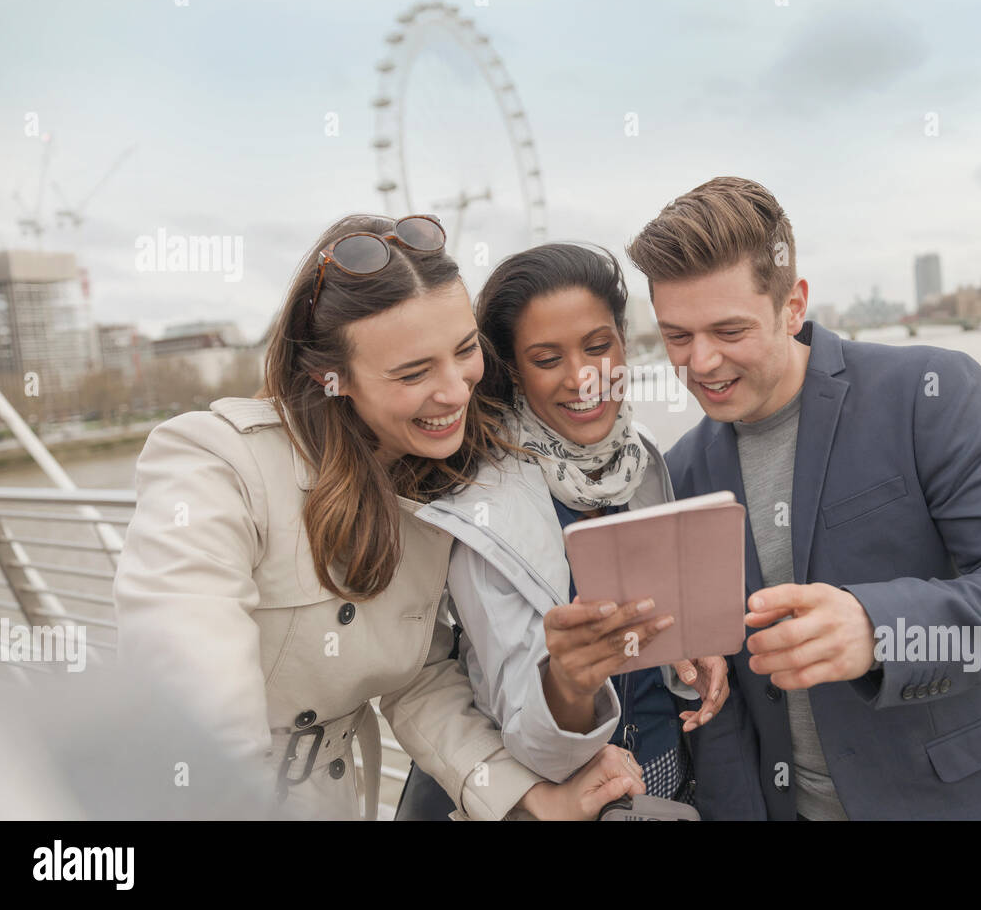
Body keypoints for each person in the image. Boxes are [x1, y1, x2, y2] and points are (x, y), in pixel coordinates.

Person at [112, 214, 644, 820]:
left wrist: (527, 800)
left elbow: (418, 678)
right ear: (328, 377)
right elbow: (195, 725)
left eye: (465, 351)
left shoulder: (436, 485)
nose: (456, 390)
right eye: (413, 373)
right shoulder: (216, 466)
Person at [625, 177, 981, 820]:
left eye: (728, 330)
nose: (701, 362)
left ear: (793, 306)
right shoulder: (678, 473)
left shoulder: (930, 392)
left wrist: (881, 631)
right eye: (677, 336)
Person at [397, 244, 728, 817]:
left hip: (671, 796)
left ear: (624, 342)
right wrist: (570, 686)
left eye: (599, 347)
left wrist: (690, 646)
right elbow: (533, 741)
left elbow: (649, 644)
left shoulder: (642, 462)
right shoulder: (481, 512)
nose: (584, 377)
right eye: (547, 359)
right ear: (513, 373)